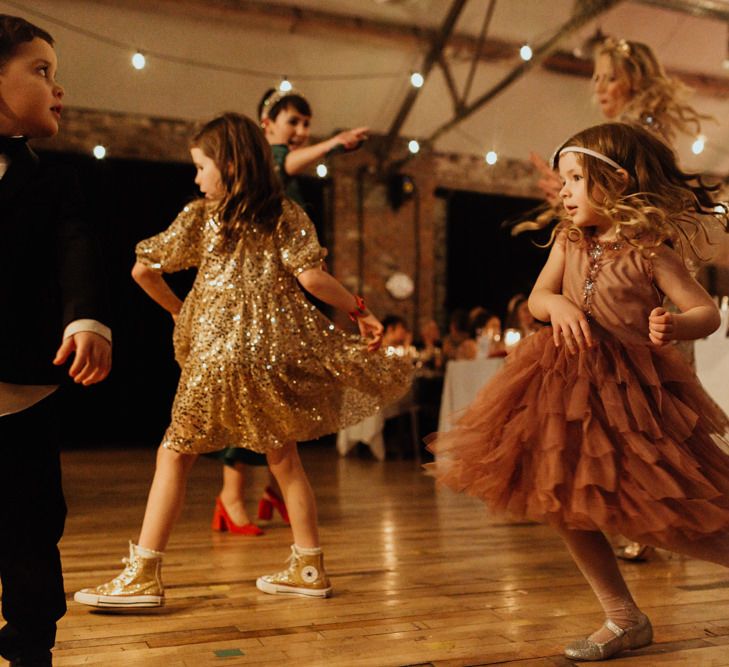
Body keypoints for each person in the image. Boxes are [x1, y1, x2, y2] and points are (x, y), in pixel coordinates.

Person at [73, 113, 411, 608]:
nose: (196, 178)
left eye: (201, 166)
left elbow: (143, 269)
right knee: (284, 459)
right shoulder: (285, 213)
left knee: (174, 454)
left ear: (229, 164)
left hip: (213, 354)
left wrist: (178, 309)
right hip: (268, 357)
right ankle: (310, 565)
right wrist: (360, 310)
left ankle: (143, 572)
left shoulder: (203, 216)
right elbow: (313, 280)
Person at [428, 122, 729, 661]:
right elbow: (538, 299)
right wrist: (558, 306)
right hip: (563, 385)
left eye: (572, 179)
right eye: (562, 181)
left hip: (631, 395)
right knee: (564, 504)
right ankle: (623, 616)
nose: (562, 191)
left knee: (662, 511)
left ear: (613, 182)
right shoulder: (570, 241)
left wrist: (677, 327)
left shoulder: (649, 252)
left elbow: (704, 310)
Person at [206, 88, 370, 535]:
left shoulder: (284, 172)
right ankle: (230, 497)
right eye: (293, 121)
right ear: (267, 124)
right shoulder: (268, 163)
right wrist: (336, 143)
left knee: (285, 394)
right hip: (260, 302)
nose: (300, 131)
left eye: (306, 124)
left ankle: (274, 493)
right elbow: (287, 162)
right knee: (254, 396)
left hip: (289, 295)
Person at [0, 15, 112, 666]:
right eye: (41, 72)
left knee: (34, 526)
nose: (58, 89)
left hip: (23, 388)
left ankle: (31, 642)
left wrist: (85, 318)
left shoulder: (55, 181)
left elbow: (77, 249)